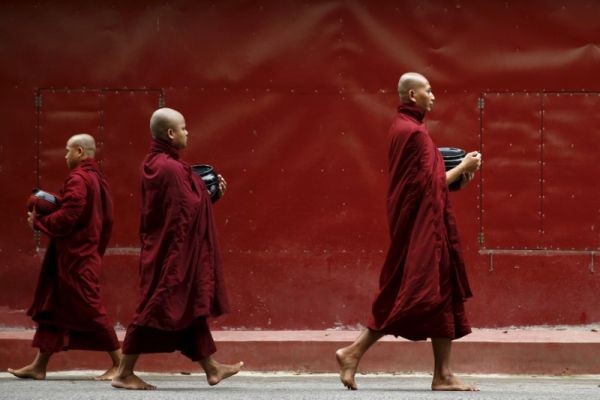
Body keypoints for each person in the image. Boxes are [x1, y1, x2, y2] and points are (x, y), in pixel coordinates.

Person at [335, 72, 482, 391]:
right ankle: (353, 351)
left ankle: (443, 374)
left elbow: (421, 184)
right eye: (429, 90)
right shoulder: (413, 132)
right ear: (412, 95)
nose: (434, 96)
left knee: (443, 293)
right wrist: (464, 168)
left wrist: (450, 178)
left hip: (424, 225)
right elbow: (428, 187)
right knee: (411, 294)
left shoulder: (404, 128)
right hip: (423, 230)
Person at [111, 108, 243, 390]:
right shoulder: (171, 168)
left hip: (162, 246)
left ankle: (212, 368)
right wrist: (210, 195)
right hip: (173, 252)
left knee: (188, 305)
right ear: (170, 133)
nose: (187, 132)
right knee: (155, 306)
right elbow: (186, 212)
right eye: (183, 128)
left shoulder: (154, 163)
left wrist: (204, 196)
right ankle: (123, 372)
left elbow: (180, 207)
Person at [8, 134, 121, 380]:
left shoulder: (78, 179)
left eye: (68, 151)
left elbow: (70, 216)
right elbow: (104, 219)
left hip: (77, 257)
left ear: (80, 152)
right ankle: (39, 366)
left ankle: (120, 364)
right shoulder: (96, 178)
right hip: (81, 253)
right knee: (54, 307)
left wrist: (39, 221)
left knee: (90, 307)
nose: (65, 155)